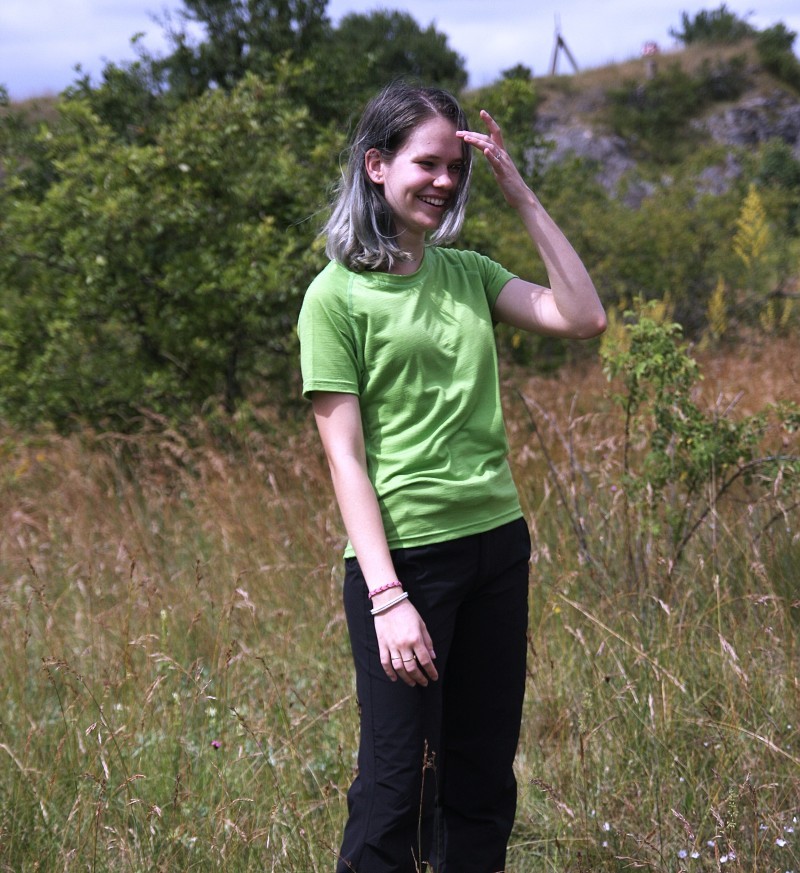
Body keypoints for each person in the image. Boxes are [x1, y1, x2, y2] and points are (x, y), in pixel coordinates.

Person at [297, 82, 606, 873]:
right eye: (425, 163)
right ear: (376, 165)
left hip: (497, 547)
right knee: (396, 789)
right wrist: (387, 596)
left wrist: (519, 192)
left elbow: (583, 316)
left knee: (480, 781)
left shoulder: (468, 272)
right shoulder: (335, 296)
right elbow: (345, 459)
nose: (443, 181)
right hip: (406, 566)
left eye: (454, 168)